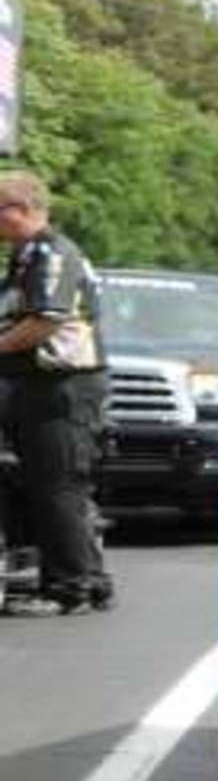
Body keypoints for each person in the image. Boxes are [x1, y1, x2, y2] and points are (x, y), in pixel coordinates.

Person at [0, 170, 114, 616]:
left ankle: (71, 587)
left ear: (20, 210)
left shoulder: (53, 253)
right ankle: (88, 577)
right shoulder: (25, 256)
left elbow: (45, 320)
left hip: (62, 383)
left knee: (58, 486)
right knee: (50, 485)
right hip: (33, 383)